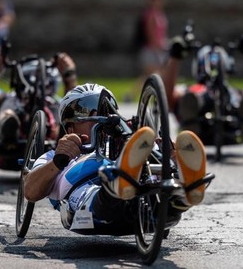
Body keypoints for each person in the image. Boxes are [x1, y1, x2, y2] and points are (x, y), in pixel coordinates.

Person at [23, 83, 208, 235]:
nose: (100, 118)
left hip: (144, 203)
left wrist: (169, 153)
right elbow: (30, 191)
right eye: (88, 112)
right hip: (90, 208)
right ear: (70, 127)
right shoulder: (55, 156)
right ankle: (117, 186)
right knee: (95, 192)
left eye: (104, 110)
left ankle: (184, 191)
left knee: (160, 179)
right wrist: (58, 160)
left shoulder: (132, 144)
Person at [162, 28, 243, 141]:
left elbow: (167, 95)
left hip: (222, 103)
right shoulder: (192, 90)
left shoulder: (231, 92)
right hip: (219, 107)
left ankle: (192, 121)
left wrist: (175, 58)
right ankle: (192, 118)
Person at [0, 50, 78, 170]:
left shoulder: (56, 103)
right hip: (4, 150)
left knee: (67, 111)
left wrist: (69, 74)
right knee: (10, 104)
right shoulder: (10, 97)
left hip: (52, 153)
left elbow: (74, 103)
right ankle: (8, 126)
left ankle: (56, 135)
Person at [127, 0, 169, 102]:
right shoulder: (150, 15)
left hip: (158, 49)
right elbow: (151, 35)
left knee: (148, 75)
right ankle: (158, 97)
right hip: (151, 50)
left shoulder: (159, 14)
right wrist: (159, 49)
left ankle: (131, 95)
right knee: (156, 75)